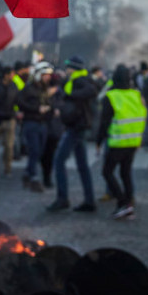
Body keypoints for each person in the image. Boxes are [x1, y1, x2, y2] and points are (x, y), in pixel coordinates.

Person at [96, 64, 147, 220]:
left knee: (107, 172)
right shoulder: (136, 94)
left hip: (117, 142)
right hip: (133, 140)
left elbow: (104, 122)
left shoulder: (111, 96)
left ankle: (122, 203)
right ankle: (129, 199)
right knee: (125, 172)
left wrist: (98, 142)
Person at [47, 55, 98, 212]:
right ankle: (89, 201)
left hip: (76, 126)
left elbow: (91, 91)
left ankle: (63, 199)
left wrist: (68, 95)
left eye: (68, 66)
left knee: (58, 161)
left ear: (73, 68)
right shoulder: (76, 79)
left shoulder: (79, 79)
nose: (66, 69)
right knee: (82, 165)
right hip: (77, 126)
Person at [18, 61, 56, 192]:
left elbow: (49, 102)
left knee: (39, 151)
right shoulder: (28, 88)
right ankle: (33, 177)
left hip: (43, 124)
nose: (48, 78)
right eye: (45, 75)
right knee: (34, 150)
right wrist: (37, 109)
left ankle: (28, 173)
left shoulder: (44, 89)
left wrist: (51, 109)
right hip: (31, 123)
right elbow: (20, 103)